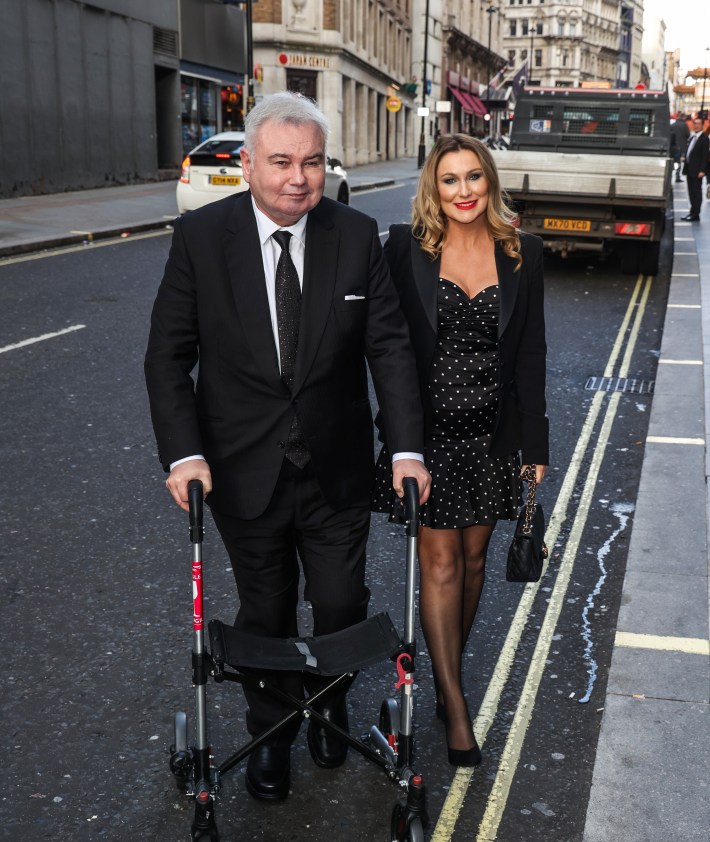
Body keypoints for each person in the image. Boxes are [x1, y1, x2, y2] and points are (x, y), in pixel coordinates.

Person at [145, 92, 431, 802]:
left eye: (310, 162)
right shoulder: (202, 239)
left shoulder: (356, 235)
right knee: (264, 611)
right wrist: (184, 455)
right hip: (242, 471)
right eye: (280, 162)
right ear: (248, 164)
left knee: (341, 605)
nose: (297, 177)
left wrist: (404, 449)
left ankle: (327, 710)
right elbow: (166, 358)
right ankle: (272, 733)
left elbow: (389, 349)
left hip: (334, 468)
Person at [372, 133, 548, 767]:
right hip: (429, 438)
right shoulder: (406, 251)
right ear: (433, 188)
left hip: (493, 436)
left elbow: (531, 355)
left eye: (474, 178)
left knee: (474, 562)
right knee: (441, 564)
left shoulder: (522, 253)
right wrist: (398, 442)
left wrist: (537, 444)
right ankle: (455, 704)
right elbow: (384, 344)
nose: (464, 191)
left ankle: (447, 678)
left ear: (490, 182)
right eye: (450, 180)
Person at [680, 116, 710, 222]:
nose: (696, 125)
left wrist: (702, 170)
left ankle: (696, 214)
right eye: (695, 123)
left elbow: (705, 155)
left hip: (697, 170)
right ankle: (692, 212)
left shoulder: (704, 138)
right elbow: (690, 150)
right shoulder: (693, 137)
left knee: (696, 192)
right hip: (689, 168)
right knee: (691, 192)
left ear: (702, 125)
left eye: (698, 124)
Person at [670, 114, 690, 183]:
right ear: (683, 117)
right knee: (679, 162)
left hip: (673, 146)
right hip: (682, 147)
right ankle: (677, 176)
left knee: (672, 161)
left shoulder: (673, 124)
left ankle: (669, 176)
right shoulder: (684, 125)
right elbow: (688, 135)